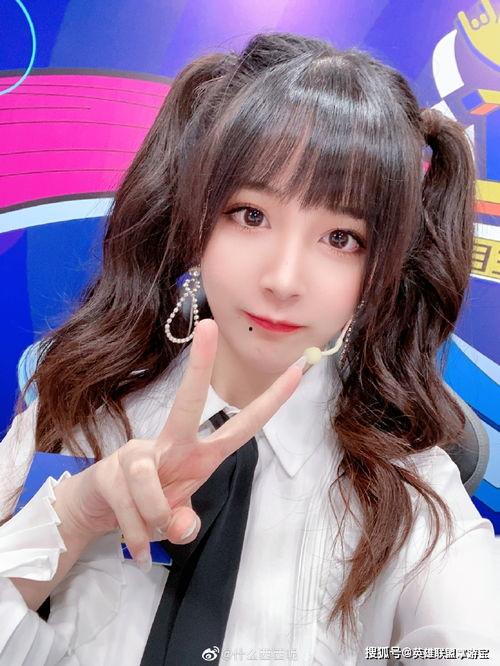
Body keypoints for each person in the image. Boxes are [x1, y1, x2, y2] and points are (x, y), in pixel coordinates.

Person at [0, 31, 498, 666]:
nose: (283, 279)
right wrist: (74, 514)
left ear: (379, 272)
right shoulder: (81, 401)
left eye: (341, 238)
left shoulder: (408, 485)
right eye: (250, 215)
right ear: (194, 220)